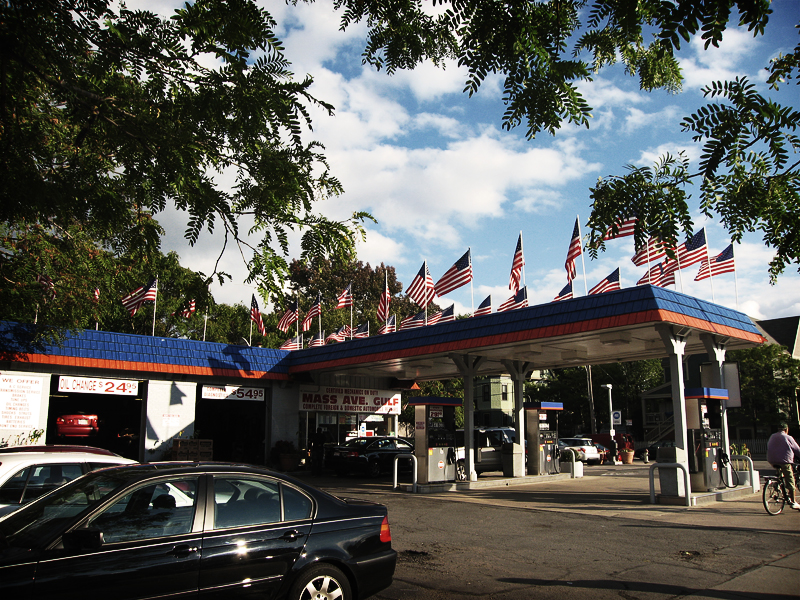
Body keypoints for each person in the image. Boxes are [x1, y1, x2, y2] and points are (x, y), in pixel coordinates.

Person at [766, 423, 800, 510]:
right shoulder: (788, 437)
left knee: (780, 474)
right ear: (786, 429)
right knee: (790, 479)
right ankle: (793, 501)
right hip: (784, 461)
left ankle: (778, 485)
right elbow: (797, 450)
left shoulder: (772, 436)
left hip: (772, 460)